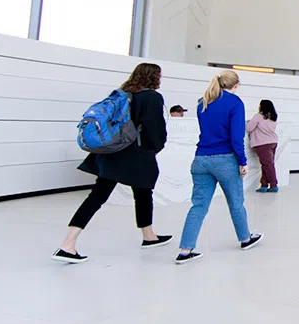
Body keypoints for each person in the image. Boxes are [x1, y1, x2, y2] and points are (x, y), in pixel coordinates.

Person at [52, 63, 171, 263]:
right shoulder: (152, 97)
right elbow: (154, 128)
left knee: (102, 196)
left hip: (111, 152)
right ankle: (67, 245)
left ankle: (148, 236)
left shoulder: (123, 93)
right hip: (136, 154)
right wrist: (156, 147)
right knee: (141, 192)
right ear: (154, 77)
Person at [176, 70, 261, 264]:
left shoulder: (203, 102)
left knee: (198, 205)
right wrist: (242, 161)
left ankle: (185, 249)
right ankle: (245, 238)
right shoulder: (235, 103)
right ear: (236, 85)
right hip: (225, 160)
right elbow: (236, 136)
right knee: (236, 202)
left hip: (201, 159)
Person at [247, 99, 279, 193]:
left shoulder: (259, 116)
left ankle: (273, 185)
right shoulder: (272, 116)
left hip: (263, 143)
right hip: (273, 141)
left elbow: (249, 128)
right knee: (267, 164)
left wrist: (249, 122)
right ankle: (264, 185)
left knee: (267, 165)